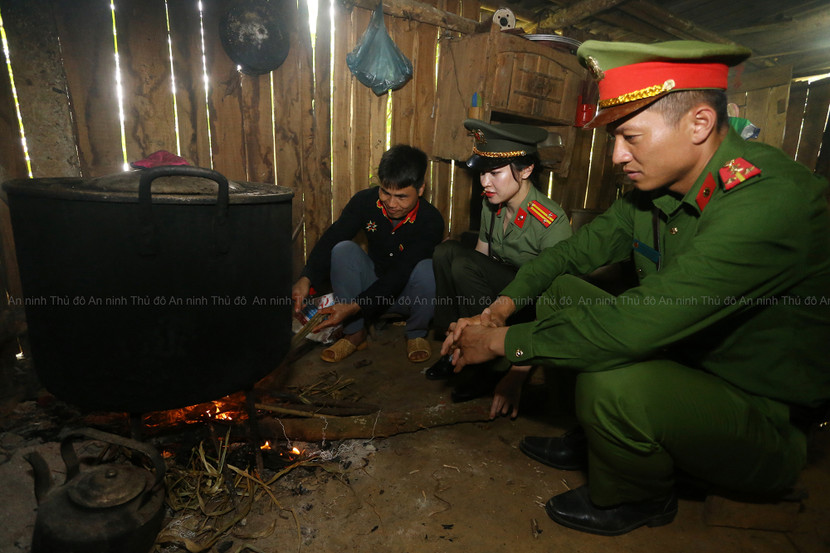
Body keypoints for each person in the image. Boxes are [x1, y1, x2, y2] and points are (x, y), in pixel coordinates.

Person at [442, 39, 830, 536]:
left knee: (613, 381)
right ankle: (596, 438)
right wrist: (498, 309)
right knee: (562, 289)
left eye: (630, 136)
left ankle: (639, 494)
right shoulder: (653, 193)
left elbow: (637, 325)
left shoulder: (768, 203)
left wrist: (497, 342)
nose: (616, 155)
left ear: (699, 124)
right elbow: (569, 256)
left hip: (760, 417)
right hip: (686, 365)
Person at [426, 119, 572, 417]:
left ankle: (492, 365)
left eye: (494, 173)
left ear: (527, 170)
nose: (484, 182)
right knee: (445, 253)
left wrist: (518, 372)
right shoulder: (492, 203)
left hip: (532, 305)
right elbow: (481, 256)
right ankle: (455, 342)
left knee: (462, 263)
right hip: (498, 296)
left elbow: (558, 307)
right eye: (482, 173)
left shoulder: (551, 223)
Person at [292, 144, 444, 363]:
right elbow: (334, 235)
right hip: (370, 286)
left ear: (420, 190)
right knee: (343, 249)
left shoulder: (431, 220)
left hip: (407, 295)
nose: (391, 204)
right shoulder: (365, 202)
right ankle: (354, 334)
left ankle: (416, 333)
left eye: (401, 197)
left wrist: (355, 306)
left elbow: (401, 272)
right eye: (385, 192)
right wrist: (306, 277)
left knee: (427, 268)